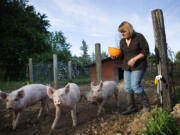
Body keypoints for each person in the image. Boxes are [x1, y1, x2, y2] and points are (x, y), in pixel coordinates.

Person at [111, 21, 151, 115]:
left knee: (135, 86)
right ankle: (131, 108)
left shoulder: (139, 37)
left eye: (123, 31)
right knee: (128, 88)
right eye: (121, 32)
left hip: (139, 65)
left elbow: (146, 50)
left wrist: (135, 58)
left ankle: (146, 107)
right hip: (126, 66)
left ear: (129, 30)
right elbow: (122, 56)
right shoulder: (122, 41)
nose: (122, 34)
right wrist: (115, 56)